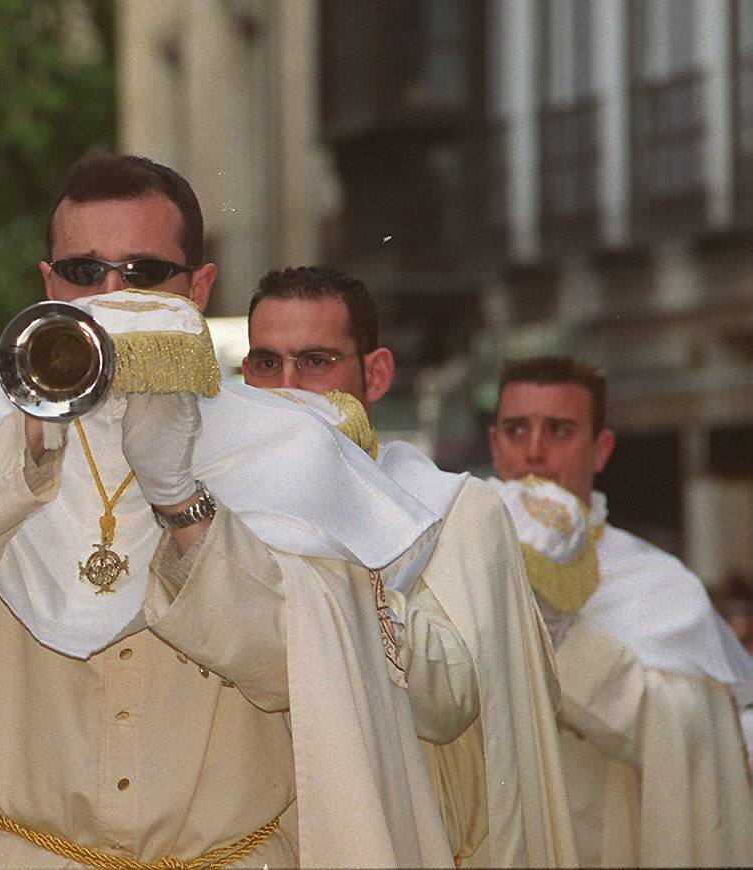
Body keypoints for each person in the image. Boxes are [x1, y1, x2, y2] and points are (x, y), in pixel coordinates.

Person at [0, 155, 454, 867]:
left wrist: (179, 499)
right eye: (83, 272)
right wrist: (27, 440)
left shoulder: (293, 444)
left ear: (198, 287)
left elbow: (310, 677)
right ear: (47, 285)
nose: (111, 295)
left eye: (142, 274)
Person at [243, 266, 576, 867]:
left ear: (375, 375)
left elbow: (447, 705)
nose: (287, 388)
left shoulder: (453, 512)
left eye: (315, 362)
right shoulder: (217, 506)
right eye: (267, 365)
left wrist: (329, 565)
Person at [490, 355, 753, 866]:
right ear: (493, 444)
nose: (535, 453)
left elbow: (713, 736)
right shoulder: (452, 565)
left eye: (560, 430)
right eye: (516, 429)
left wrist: (553, 632)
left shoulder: (660, 583)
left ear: (600, 450)